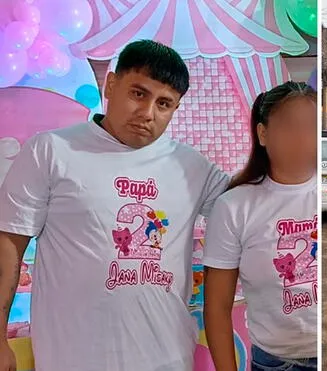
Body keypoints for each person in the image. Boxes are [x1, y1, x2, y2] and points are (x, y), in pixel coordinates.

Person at [0, 40, 230, 371]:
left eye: (164, 103)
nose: (148, 113)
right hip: (73, 360)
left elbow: (249, 209)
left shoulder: (192, 167)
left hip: (168, 359)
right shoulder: (51, 151)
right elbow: (9, 243)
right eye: (139, 93)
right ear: (111, 84)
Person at [202, 82, 317, 371]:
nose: (303, 139)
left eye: (311, 127)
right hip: (277, 363)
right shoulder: (233, 207)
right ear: (263, 133)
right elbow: (217, 308)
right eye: (290, 127)